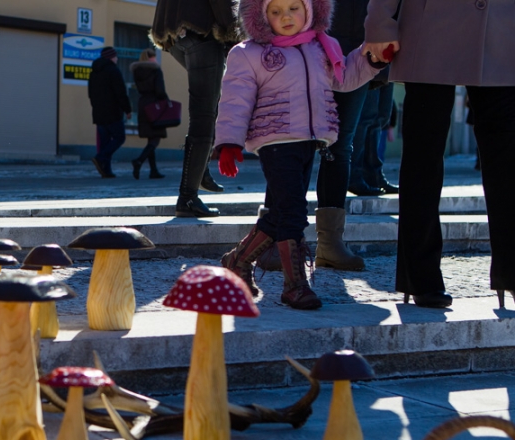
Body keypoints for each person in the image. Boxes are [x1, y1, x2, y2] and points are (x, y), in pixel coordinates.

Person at [214, 0, 386, 309]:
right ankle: (294, 285)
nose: (286, 17)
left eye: (294, 8)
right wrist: (229, 142)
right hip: (275, 142)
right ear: (260, 16)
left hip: (309, 140)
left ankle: (238, 260)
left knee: (281, 212)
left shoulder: (319, 47)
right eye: (276, 11)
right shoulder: (249, 53)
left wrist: (371, 58)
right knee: (293, 212)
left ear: (310, 10)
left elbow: (344, 78)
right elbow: (234, 100)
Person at [364, 0, 515, 309]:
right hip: (429, 27)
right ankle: (420, 275)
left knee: (508, 163)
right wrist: (380, 24)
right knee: (423, 160)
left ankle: (511, 271)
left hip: (503, 31)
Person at [151, 0, 238, 217]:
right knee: (204, 114)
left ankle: (200, 171)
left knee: (210, 104)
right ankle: (188, 197)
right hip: (202, 32)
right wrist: (234, 34)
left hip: (175, 34)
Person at [88, 46, 132, 179]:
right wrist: (127, 110)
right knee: (119, 137)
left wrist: (96, 107)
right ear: (111, 57)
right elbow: (121, 93)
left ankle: (106, 171)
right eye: (115, 56)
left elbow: (91, 94)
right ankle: (100, 158)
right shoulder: (114, 71)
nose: (117, 58)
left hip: (99, 112)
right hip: (113, 112)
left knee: (105, 142)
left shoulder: (94, 72)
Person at [348, 79, 398, 195]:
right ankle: (355, 175)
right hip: (370, 66)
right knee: (367, 118)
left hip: (388, 66)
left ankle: (374, 176)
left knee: (382, 116)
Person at [130, 49, 168, 180]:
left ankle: (153, 170)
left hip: (143, 104)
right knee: (155, 138)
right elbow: (160, 90)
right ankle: (139, 160)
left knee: (150, 138)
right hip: (155, 105)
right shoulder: (156, 70)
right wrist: (166, 101)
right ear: (151, 58)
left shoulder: (137, 71)